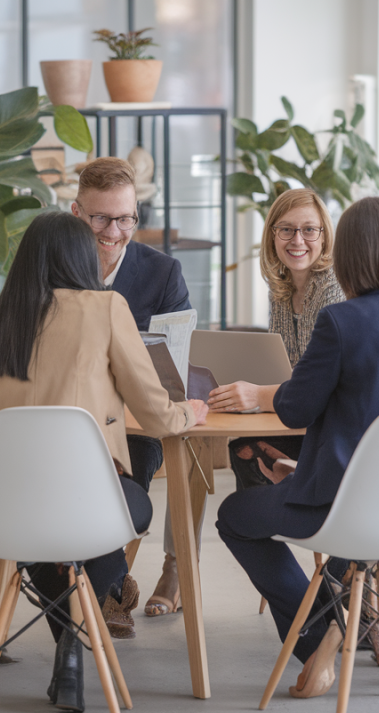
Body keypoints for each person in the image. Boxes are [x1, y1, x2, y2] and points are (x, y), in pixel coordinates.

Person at [0, 210, 207, 713]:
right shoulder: (105, 308)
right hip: (87, 500)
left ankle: (21, 632)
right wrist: (189, 410)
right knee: (132, 510)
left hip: (7, 503)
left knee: (46, 544)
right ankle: (75, 643)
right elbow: (152, 411)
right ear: (82, 256)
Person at [216, 197, 379, 698]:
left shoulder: (341, 321)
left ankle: (318, 636)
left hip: (346, 510)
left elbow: (293, 410)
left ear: (347, 255)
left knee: (234, 516)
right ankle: (337, 630)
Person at [145, 188, 345, 617]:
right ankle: (188, 564)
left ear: (325, 237)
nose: (298, 241)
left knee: (244, 461)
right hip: (291, 421)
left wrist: (261, 394)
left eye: (310, 230)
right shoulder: (282, 291)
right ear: (272, 236)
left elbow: (318, 384)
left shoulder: (332, 292)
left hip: (327, 433)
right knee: (232, 449)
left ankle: (301, 576)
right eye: (286, 230)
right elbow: (286, 369)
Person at [71, 156, 192, 632]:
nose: (113, 231)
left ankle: (102, 590)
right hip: (65, 419)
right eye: (100, 217)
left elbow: (172, 363)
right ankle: (111, 584)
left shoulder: (162, 273)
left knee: (129, 475)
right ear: (77, 212)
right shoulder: (51, 262)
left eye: (125, 219)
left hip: (134, 424)